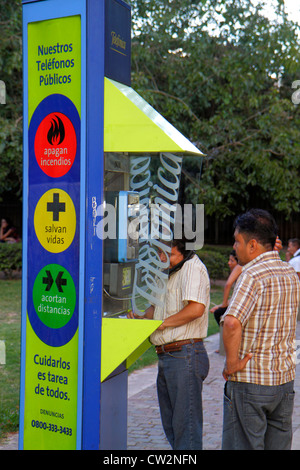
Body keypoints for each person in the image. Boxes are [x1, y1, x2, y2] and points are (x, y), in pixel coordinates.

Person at [221, 209, 300, 450]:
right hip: (283, 381)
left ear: (253, 244)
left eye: (237, 241)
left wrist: (231, 363)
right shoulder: (290, 273)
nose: (235, 247)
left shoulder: (251, 275)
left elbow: (232, 322)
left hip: (250, 382)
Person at [129, 238, 210, 450]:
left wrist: (163, 324)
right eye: (160, 253)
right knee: (172, 426)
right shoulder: (166, 272)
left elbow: (196, 309)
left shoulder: (193, 269)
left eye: (170, 255)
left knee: (187, 430)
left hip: (185, 354)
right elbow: (154, 309)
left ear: (184, 252)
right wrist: (141, 320)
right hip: (167, 356)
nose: (164, 259)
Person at [210, 250, 241, 326]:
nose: (229, 263)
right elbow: (235, 297)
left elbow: (228, 285)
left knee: (219, 313)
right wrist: (220, 305)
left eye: (232, 261)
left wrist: (224, 304)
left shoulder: (240, 267)